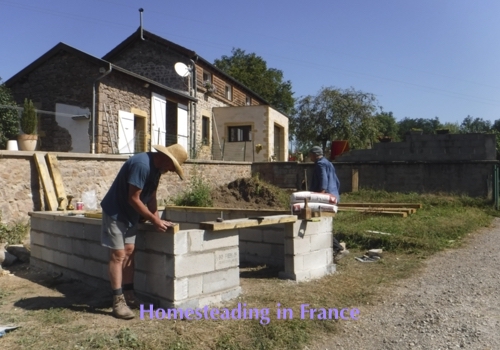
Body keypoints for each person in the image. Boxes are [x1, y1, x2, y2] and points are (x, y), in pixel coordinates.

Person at [100, 144, 188, 319]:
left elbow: (151, 196)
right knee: (118, 255)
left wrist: (157, 217)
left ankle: (130, 295)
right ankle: (118, 301)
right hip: (116, 212)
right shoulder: (142, 165)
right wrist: (154, 220)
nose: (171, 171)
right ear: (166, 159)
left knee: (130, 252)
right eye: (172, 167)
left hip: (131, 214)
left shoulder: (156, 169)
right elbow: (133, 198)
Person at [308, 146, 347, 260]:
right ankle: (334, 247)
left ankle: (338, 248)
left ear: (315, 155)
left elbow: (324, 180)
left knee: (321, 225)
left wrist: (321, 194)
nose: (309, 157)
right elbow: (337, 182)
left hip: (325, 198)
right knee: (324, 224)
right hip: (333, 196)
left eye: (310, 155)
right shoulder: (329, 163)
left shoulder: (320, 164)